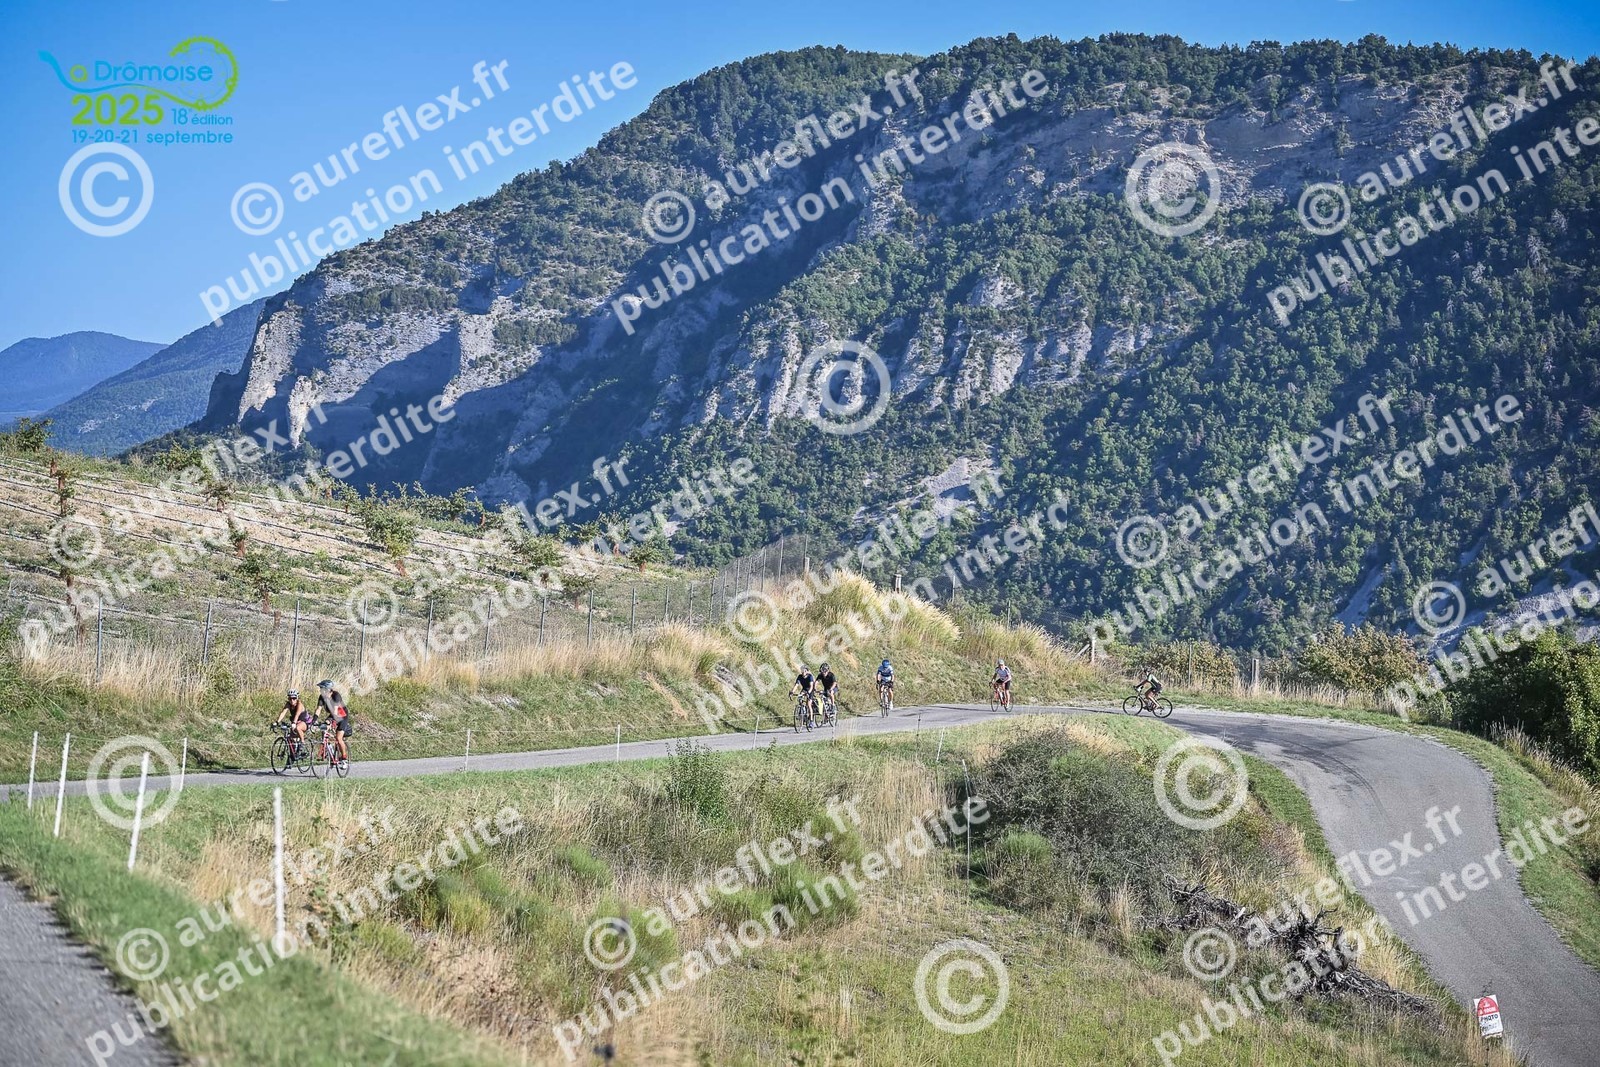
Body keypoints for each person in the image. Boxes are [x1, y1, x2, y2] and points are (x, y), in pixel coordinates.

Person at [316, 680, 351, 767]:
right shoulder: (322, 697)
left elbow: (335, 711)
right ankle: (328, 747)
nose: (320, 690)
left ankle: (344, 758)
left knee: (339, 738)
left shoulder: (336, 695)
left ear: (327, 689)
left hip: (342, 716)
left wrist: (332, 722)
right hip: (333, 715)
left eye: (321, 688)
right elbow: (318, 709)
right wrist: (313, 721)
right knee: (323, 728)